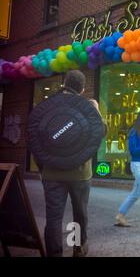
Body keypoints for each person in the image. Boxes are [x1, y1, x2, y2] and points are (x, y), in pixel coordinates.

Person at [41, 70, 104, 257]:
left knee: (53, 217)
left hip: (52, 172)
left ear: (64, 84)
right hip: (80, 173)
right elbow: (100, 132)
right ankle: (77, 248)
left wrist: (42, 167)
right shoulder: (86, 107)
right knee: (79, 214)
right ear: (83, 89)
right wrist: (96, 110)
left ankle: (54, 254)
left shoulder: (48, 105)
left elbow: (37, 137)